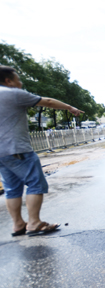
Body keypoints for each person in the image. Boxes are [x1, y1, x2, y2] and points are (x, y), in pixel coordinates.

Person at [0, 65, 84, 236]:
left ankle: (18, 225)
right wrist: (70, 108)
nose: (21, 83)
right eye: (18, 79)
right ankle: (34, 223)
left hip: (2, 154)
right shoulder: (13, 94)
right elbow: (48, 102)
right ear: (8, 81)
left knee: (12, 189)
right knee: (35, 183)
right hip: (17, 149)